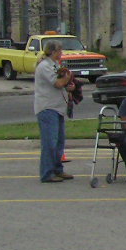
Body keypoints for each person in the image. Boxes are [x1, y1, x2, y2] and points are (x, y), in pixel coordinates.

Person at [34, 41, 74, 183]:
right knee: (49, 142)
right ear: (52, 51)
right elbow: (57, 83)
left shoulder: (55, 65)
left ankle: (58, 169)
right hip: (47, 108)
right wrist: (67, 77)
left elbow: (61, 84)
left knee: (59, 142)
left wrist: (69, 87)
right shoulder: (45, 66)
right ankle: (47, 173)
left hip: (58, 108)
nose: (61, 52)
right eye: (59, 50)